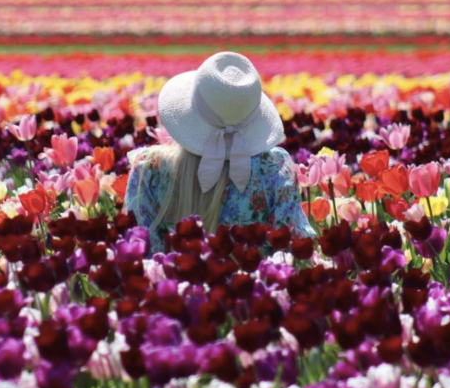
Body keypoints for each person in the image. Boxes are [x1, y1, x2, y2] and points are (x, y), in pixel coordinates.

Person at [124, 52, 316, 253]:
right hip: (252, 284)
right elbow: (296, 251)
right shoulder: (274, 169)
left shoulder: (150, 169)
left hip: (171, 281)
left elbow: (140, 253)